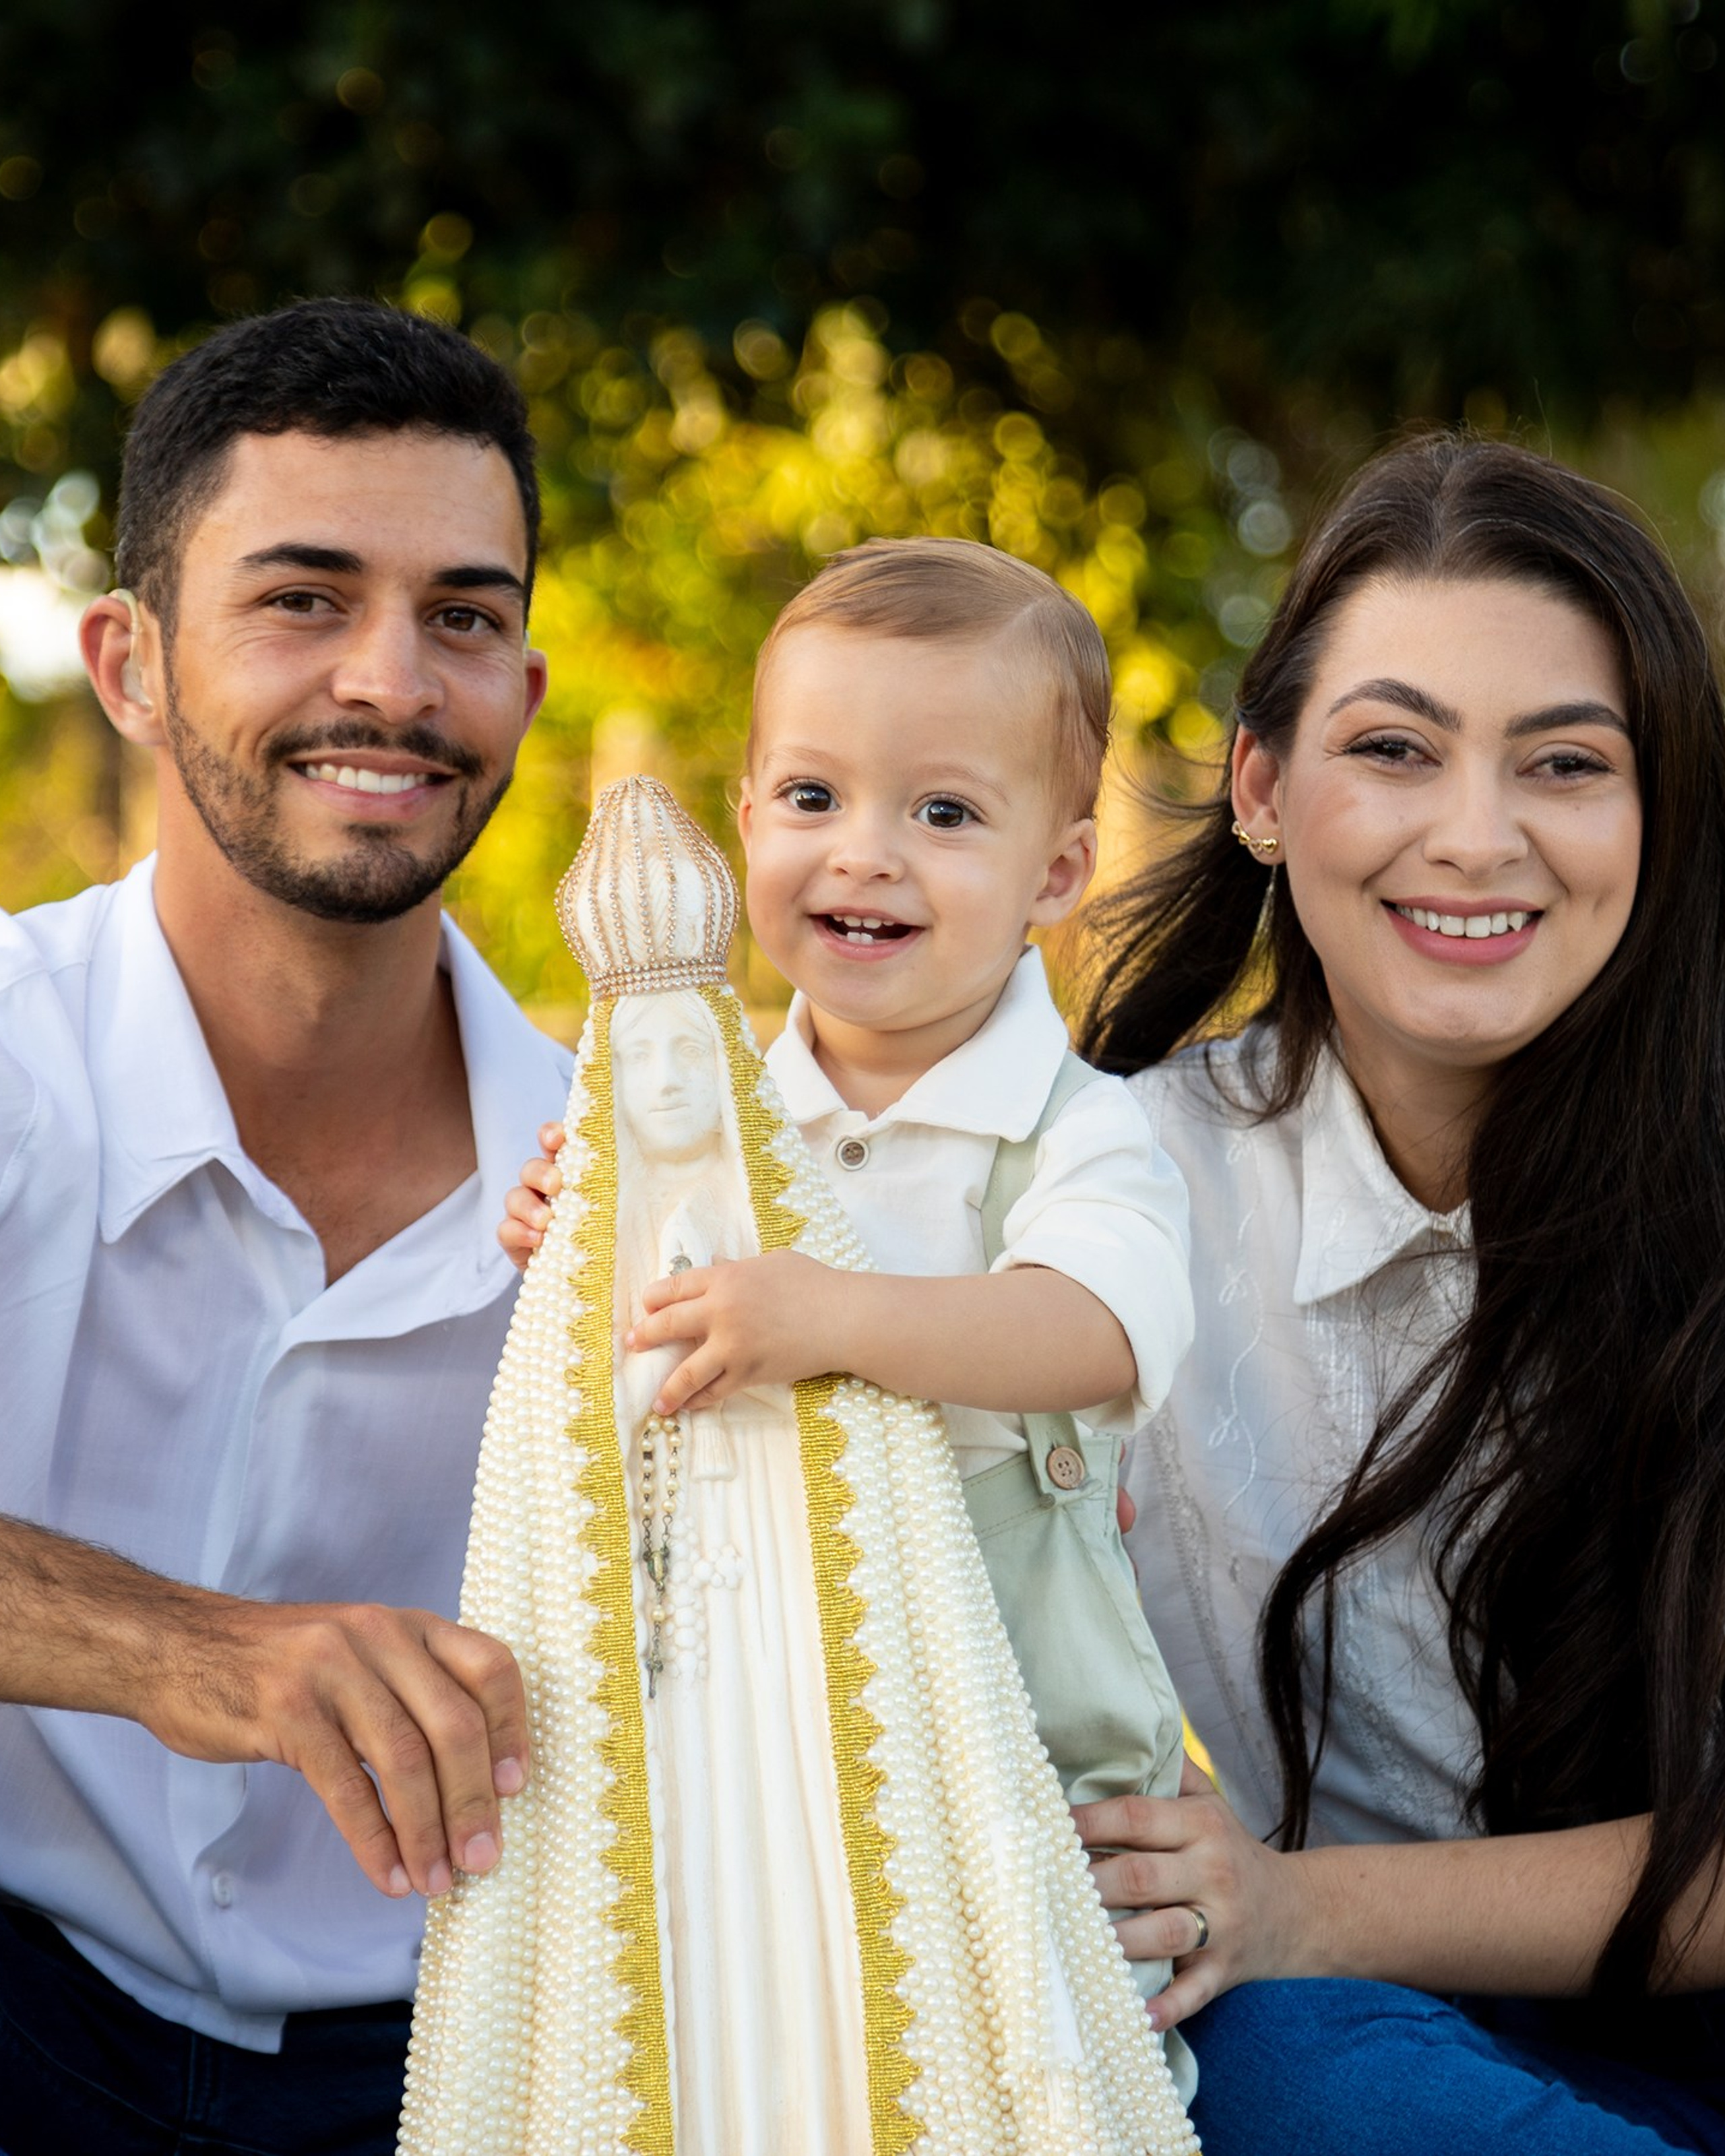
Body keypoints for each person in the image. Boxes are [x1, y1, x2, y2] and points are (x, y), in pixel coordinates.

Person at [1071, 434, 1725, 2152]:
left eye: (1564, 763)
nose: (1474, 836)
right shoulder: (1104, 1192)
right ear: (1262, 791)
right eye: (1392, 750)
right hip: (1376, 2047)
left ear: (1653, 818)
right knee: (1235, 2057)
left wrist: (1291, 1908)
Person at [501, 537, 1200, 2062]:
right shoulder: (719, 1112)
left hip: (1031, 1768)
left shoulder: (1073, 1127)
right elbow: (639, 1346)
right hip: (782, 1723)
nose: (862, 853)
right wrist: (581, 1239)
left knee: (1031, 2073)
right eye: (811, 798)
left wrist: (821, 1312)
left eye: (942, 812)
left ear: (1057, 871)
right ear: (744, 815)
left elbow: (1090, 1327)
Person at [0, 298, 570, 2156]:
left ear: (524, 692)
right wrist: (207, 1654)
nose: (395, 686)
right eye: (302, 598)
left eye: (464, 619)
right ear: (130, 661)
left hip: (461, 2055)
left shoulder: (629, 1182)